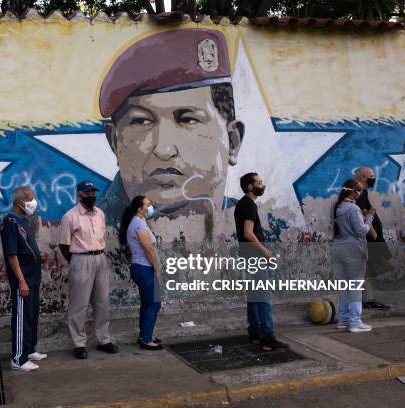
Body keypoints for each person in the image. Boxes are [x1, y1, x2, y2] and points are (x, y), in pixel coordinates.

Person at [99, 28, 244, 235]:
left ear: (233, 141)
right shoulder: (94, 234)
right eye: (141, 121)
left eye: (188, 120)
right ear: (114, 141)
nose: (164, 149)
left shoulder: (268, 231)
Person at [59, 180, 118, 359]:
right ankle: (78, 343)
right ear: (79, 195)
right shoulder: (70, 216)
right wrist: (77, 260)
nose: (91, 196)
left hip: (100, 258)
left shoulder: (100, 213)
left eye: (93, 192)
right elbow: (63, 245)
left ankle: (104, 339)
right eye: (87, 193)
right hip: (81, 259)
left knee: (102, 302)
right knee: (79, 304)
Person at [234, 173, 288, 351]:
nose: (262, 185)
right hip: (255, 256)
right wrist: (265, 252)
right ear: (250, 186)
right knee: (264, 296)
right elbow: (248, 233)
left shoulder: (242, 203)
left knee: (254, 295)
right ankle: (267, 338)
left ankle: (255, 333)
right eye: (258, 182)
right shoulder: (248, 205)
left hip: (248, 255)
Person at [0, 186, 47, 372]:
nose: (33, 202)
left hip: (33, 278)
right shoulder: (10, 222)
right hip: (24, 280)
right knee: (21, 318)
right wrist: (21, 280)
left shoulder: (23, 221)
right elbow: (12, 254)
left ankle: (29, 350)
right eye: (30, 199)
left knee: (31, 316)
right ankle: (18, 359)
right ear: (20, 202)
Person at [118, 195, 163, 350]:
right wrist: (158, 267)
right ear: (140, 208)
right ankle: (146, 339)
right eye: (148, 204)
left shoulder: (139, 222)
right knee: (154, 303)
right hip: (144, 268)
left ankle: (145, 334)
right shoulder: (139, 224)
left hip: (142, 267)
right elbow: (149, 249)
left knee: (148, 303)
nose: (151, 206)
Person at [333, 179, 376, 332]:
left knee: (345, 287)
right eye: (359, 191)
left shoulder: (339, 207)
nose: (361, 193)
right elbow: (361, 231)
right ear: (353, 192)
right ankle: (355, 322)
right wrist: (369, 217)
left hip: (340, 250)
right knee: (356, 287)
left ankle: (343, 320)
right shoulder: (353, 209)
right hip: (354, 251)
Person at [354, 166, 392, 310]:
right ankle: (366, 295)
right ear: (363, 177)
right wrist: (374, 233)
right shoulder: (358, 192)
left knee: (370, 268)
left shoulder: (363, 191)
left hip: (377, 238)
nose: (374, 178)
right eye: (371, 176)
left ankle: (368, 297)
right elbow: (362, 214)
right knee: (389, 264)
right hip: (373, 239)